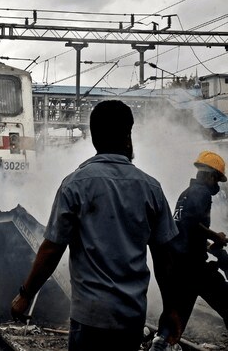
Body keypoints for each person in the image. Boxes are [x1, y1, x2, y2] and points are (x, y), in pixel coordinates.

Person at [10, 100, 180, 351]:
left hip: (89, 316)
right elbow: (165, 258)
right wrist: (172, 309)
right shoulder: (150, 188)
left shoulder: (75, 184)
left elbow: (51, 250)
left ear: (93, 138)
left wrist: (25, 296)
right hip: (131, 316)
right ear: (128, 136)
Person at [152, 151, 228, 349]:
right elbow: (191, 223)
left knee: (177, 315)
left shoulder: (186, 194)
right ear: (210, 176)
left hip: (181, 266)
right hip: (193, 268)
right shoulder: (201, 192)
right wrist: (216, 236)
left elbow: (185, 231)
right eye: (218, 180)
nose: (217, 186)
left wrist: (210, 246)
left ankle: (160, 344)